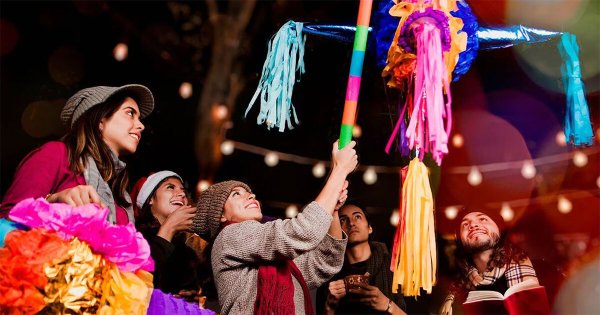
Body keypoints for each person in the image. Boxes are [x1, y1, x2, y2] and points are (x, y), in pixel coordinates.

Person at [191, 140, 358, 315]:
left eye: (249, 192)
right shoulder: (228, 237)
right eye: (236, 194)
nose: (250, 195)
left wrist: (333, 211)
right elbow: (302, 231)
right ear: (221, 215)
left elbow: (324, 262)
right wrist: (339, 171)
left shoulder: (275, 256)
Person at [1, 84, 154, 224]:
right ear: (100, 120)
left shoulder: (121, 196)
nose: (141, 125)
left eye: (139, 118)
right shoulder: (57, 154)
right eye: (130, 113)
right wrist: (52, 201)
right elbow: (7, 218)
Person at [439, 211, 540, 315]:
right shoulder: (456, 295)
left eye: (482, 219)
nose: (473, 225)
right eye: (465, 224)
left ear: (499, 229)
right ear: (460, 240)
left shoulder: (542, 271)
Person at [317, 203, 407, 315]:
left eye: (357, 216)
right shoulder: (329, 276)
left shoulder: (394, 268)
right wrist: (330, 308)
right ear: (336, 231)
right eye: (342, 220)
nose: (351, 223)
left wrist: (388, 305)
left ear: (369, 228)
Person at [131, 170, 203, 303]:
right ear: (150, 199)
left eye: (184, 191)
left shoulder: (187, 252)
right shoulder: (134, 237)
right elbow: (138, 286)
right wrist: (168, 229)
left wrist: (191, 297)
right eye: (170, 187)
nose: (181, 194)